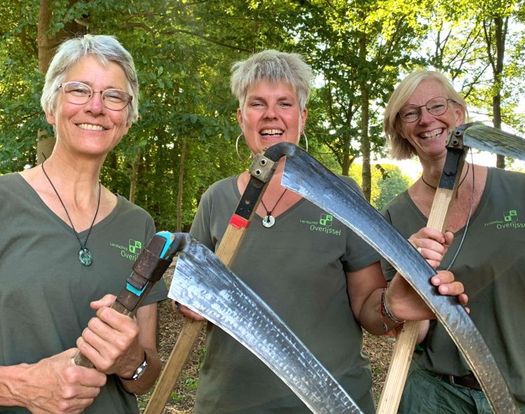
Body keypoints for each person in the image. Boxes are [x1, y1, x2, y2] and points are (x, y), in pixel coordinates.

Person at [176, 50, 467, 413]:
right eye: (257, 104)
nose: (271, 114)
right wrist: (187, 301)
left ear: (302, 117)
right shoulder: (216, 199)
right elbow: (190, 297)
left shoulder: (341, 196)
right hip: (229, 403)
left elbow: (369, 308)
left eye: (285, 103)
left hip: (333, 405)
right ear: (240, 117)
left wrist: (393, 305)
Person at [0, 35, 167, 413]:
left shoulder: (139, 225)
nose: (96, 107)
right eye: (79, 90)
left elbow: (146, 375)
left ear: (127, 118)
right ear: (51, 106)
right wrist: (20, 386)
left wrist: (130, 361)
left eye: (113, 96)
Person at [382, 70, 525, 413]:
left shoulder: (522, 191)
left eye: (436, 105)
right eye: (410, 113)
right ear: (401, 129)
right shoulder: (394, 217)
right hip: (438, 397)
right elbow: (412, 334)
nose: (426, 119)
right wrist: (410, 282)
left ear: (459, 113)